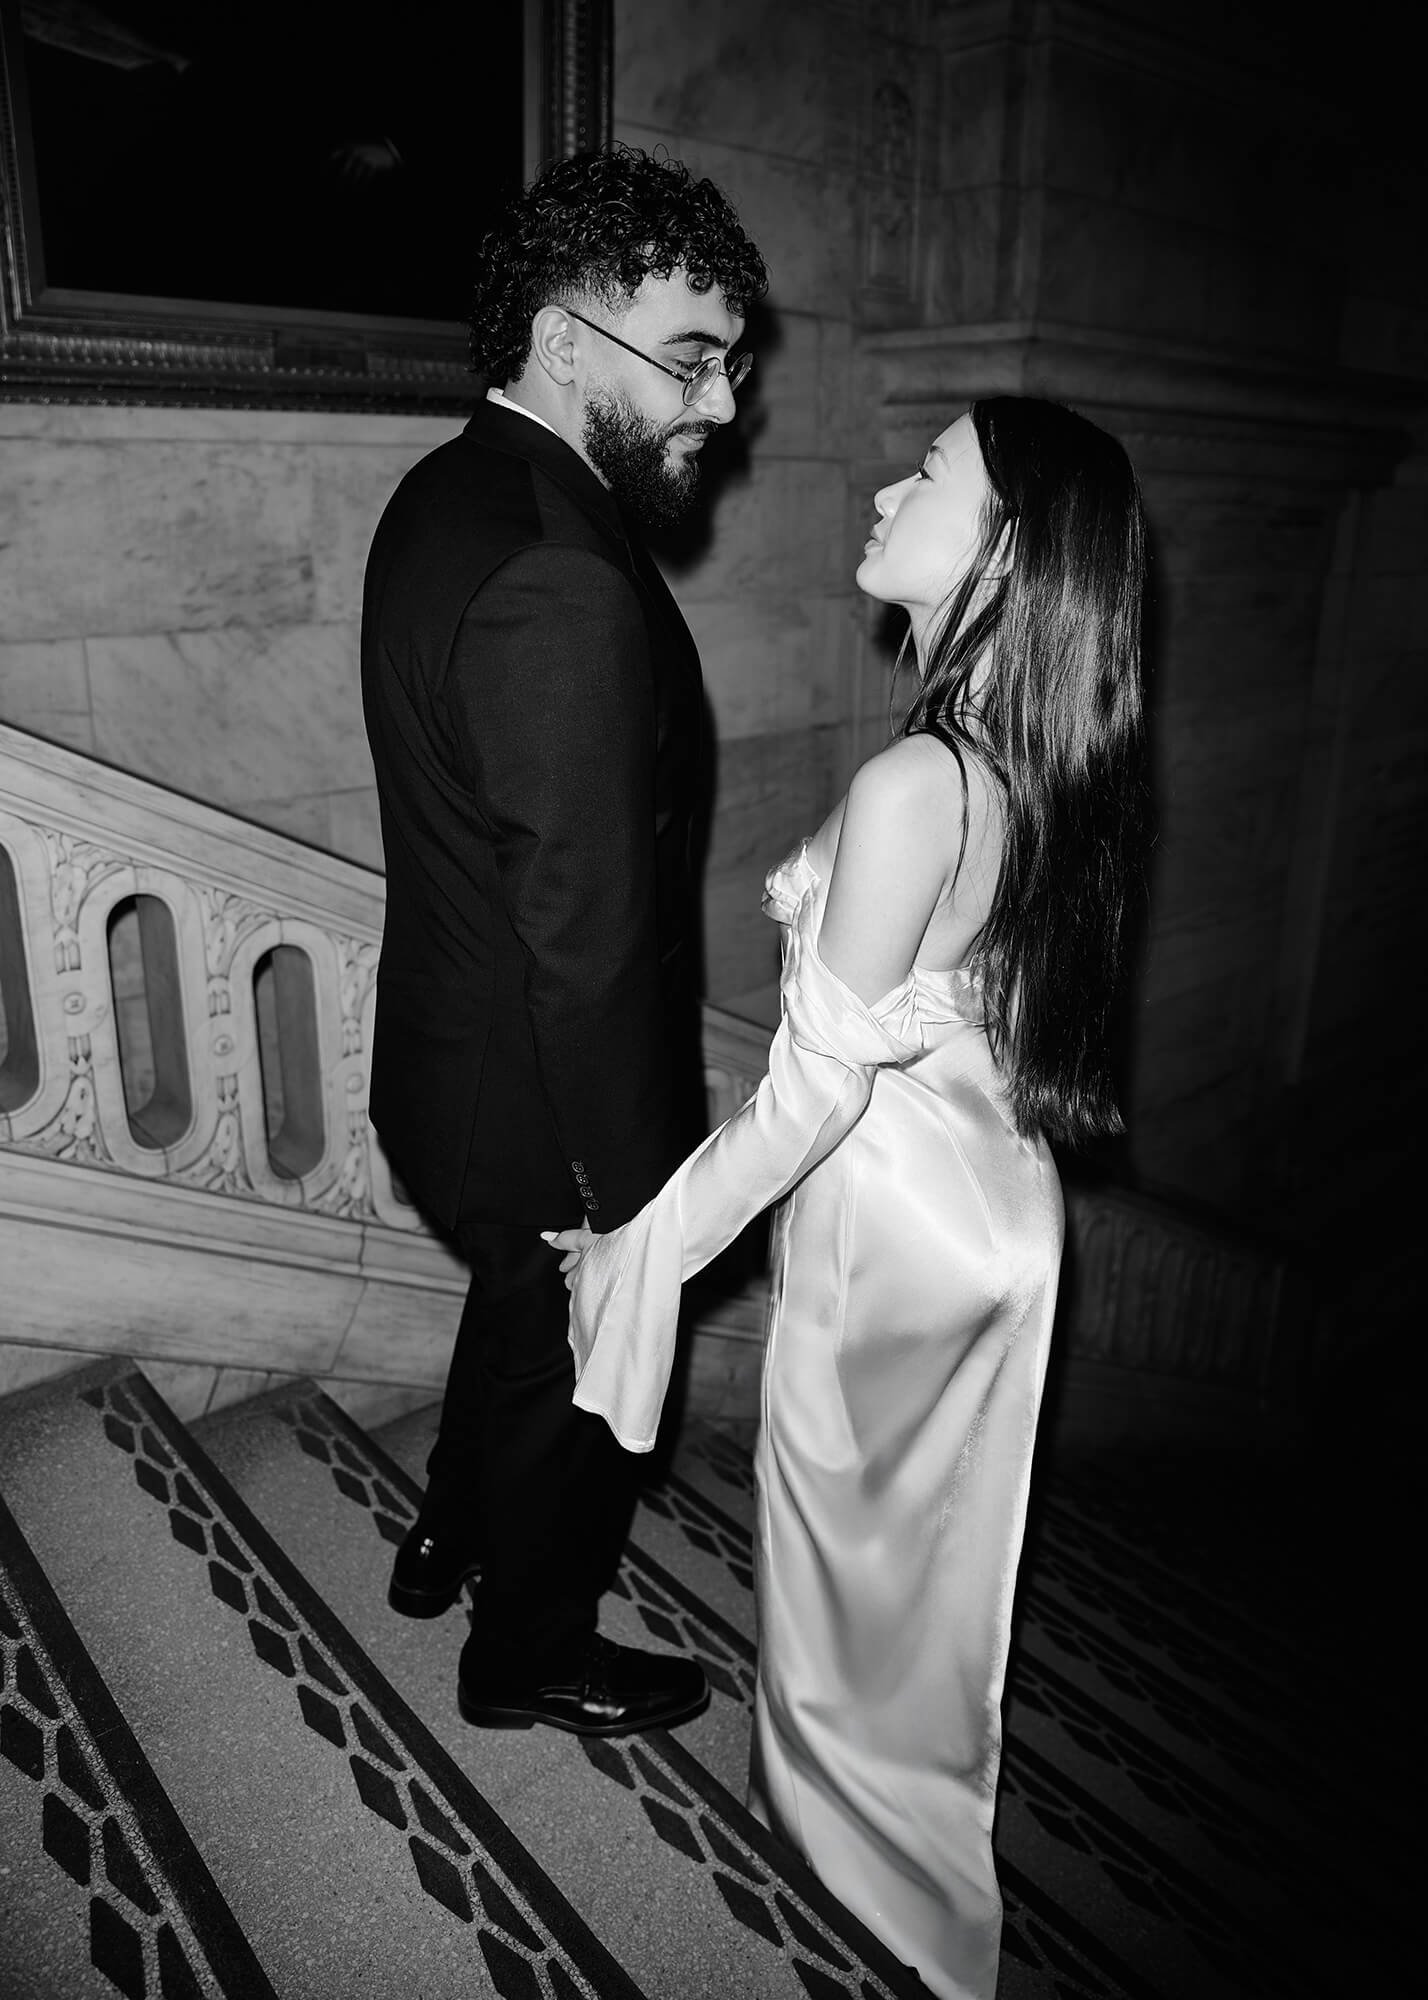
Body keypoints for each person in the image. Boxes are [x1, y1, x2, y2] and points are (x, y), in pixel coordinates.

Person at [549, 398, 1148, 1997]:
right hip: (989, 1202)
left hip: (895, 1227)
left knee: (846, 1584)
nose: (886, 483)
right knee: (929, 1589)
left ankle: (863, 1907)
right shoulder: (1025, 762)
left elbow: (809, 1095)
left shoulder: (916, 787)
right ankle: (901, 1895)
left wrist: (643, 1246)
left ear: (1005, 549)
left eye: (930, 472)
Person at [361, 145, 768, 1737]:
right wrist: (640, 1211)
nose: (722, 407)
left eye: (729, 363)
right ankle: (522, 1652)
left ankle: (447, 1528)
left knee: (516, 1328)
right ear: (557, 338)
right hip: (543, 1104)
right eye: (690, 360)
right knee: (586, 1392)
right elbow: (587, 941)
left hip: (455, 1072)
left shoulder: (449, 487)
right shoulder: (563, 576)